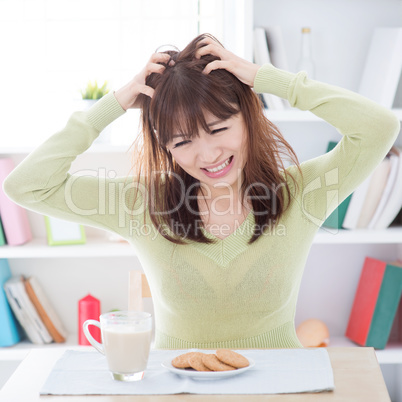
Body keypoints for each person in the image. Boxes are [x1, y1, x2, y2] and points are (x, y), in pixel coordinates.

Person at [4, 34, 400, 349]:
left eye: (218, 129)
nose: (208, 156)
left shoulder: (299, 192)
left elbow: (379, 127)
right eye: (182, 142)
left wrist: (264, 77)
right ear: (165, 147)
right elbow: (25, 186)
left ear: (247, 117)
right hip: (175, 387)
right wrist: (115, 103)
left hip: (281, 386)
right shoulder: (143, 203)